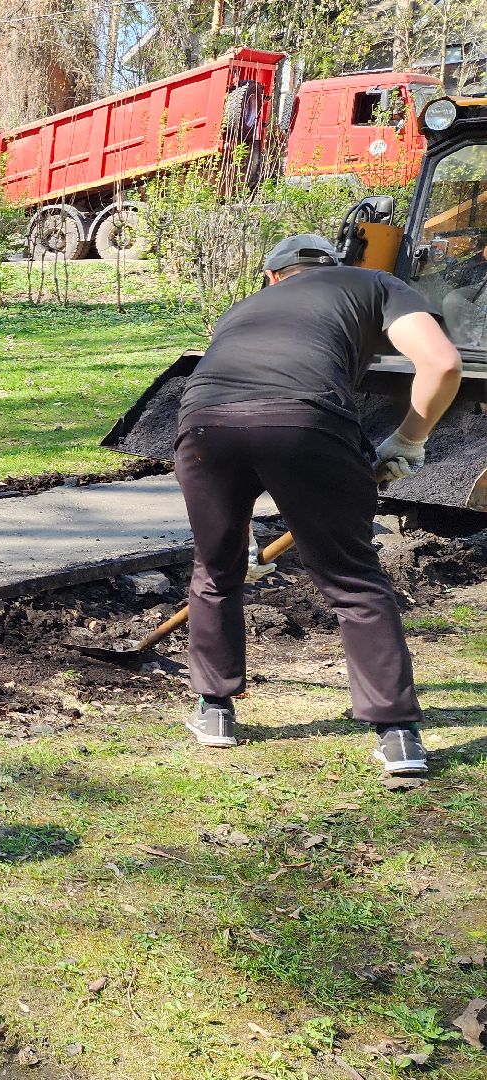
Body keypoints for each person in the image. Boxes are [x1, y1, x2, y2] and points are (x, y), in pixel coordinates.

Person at [174, 233, 462, 778]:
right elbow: (443, 364)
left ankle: (214, 711)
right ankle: (397, 736)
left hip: (203, 427)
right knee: (353, 578)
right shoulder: (373, 283)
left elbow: (236, 398)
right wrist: (409, 440)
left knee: (214, 569)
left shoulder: (243, 310)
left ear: (272, 277)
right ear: (335, 266)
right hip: (304, 422)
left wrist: (238, 531)